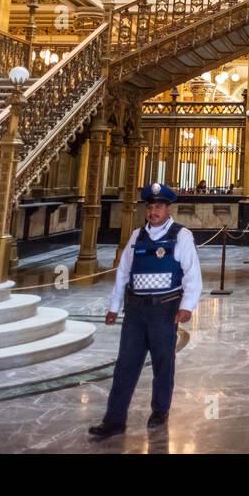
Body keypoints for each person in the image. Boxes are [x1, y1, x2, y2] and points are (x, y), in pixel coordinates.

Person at [88, 183, 201, 439]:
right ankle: (114, 420)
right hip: (136, 311)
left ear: (167, 208)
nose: (153, 211)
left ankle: (160, 410)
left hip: (165, 309)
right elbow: (123, 273)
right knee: (125, 365)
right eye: (150, 207)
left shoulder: (181, 236)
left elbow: (192, 275)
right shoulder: (137, 236)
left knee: (163, 362)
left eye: (158, 206)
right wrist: (114, 307)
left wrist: (186, 307)